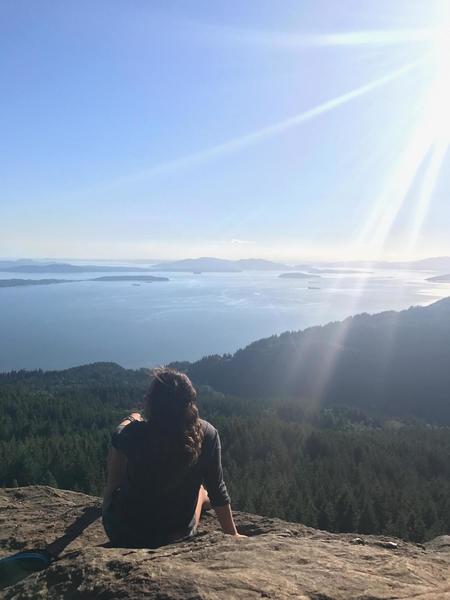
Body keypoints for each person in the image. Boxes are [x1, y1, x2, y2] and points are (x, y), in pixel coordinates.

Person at [102, 367, 245, 547]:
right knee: (202, 491)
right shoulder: (207, 434)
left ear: (151, 402)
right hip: (174, 536)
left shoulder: (133, 433)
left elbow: (118, 433)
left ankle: (108, 497)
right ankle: (201, 497)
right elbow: (217, 488)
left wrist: (132, 418)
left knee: (117, 477)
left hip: (122, 532)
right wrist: (232, 534)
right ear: (190, 403)